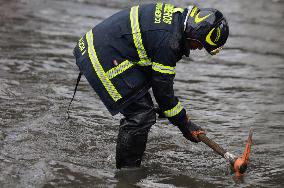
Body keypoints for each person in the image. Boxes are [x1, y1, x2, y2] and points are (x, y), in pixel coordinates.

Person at [72, 3, 229, 169]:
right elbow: (163, 91)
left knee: (145, 107)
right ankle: (127, 174)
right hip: (100, 55)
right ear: (197, 33)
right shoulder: (170, 41)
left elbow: (156, 80)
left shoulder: (177, 18)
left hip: (100, 47)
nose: (197, 49)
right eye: (200, 44)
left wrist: (170, 112)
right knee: (140, 115)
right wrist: (184, 123)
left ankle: (129, 161)